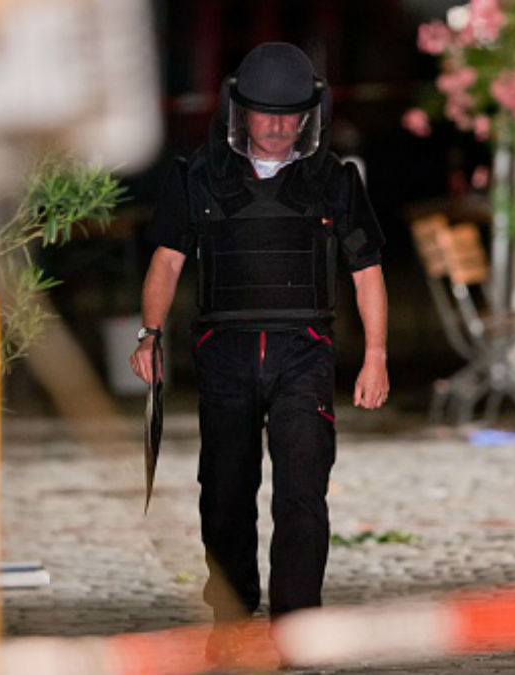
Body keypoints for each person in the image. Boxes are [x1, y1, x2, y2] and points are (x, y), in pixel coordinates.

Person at [129, 41, 389, 639]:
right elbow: (167, 261)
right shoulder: (197, 176)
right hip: (225, 352)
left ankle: (297, 626)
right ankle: (232, 619)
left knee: (302, 492)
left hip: (304, 350)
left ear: (309, 114)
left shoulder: (335, 181)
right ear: (238, 109)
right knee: (224, 494)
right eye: (265, 114)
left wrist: (375, 356)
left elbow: (367, 269)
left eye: (289, 115)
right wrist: (149, 336)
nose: (276, 127)